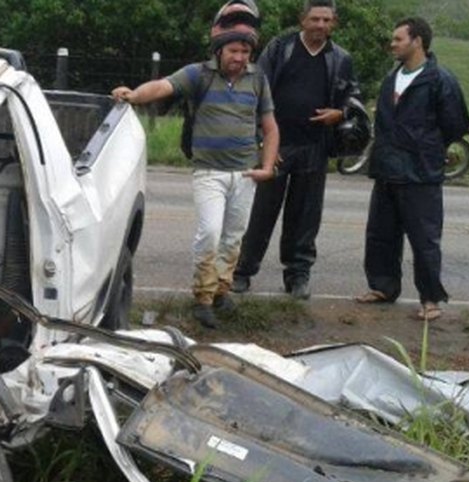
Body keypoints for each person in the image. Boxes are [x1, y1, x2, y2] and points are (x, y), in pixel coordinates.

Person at [111, 0, 279, 328]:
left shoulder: (258, 78)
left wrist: (268, 166)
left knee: (233, 237)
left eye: (245, 52)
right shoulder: (198, 74)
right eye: (234, 51)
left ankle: (221, 291)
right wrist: (132, 95)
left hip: (246, 173)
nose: (240, 58)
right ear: (219, 49)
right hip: (209, 172)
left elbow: (271, 126)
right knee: (211, 233)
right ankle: (202, 296)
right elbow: (162, 87)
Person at [232, 0, 360, 300]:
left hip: (315, 146)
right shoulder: (281, 48)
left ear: (334, 23)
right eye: (315, 19)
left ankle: (298, 276)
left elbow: (353, 97)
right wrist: (263, 141)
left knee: (305, 217)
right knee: (261, 212)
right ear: (303, 19)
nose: (321, 25)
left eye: (327, 20)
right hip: (277, 145)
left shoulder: (341, 58)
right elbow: (255, 89)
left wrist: (339, 114)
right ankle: (242, 272)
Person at [354, 16, 469, 321]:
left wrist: (427, 150)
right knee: (380, 235)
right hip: (387, 170)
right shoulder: (391, 79)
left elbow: (454, 124)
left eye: (398, 39)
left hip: (420, 174)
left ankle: (430, 299)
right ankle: (383, 287)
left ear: (417, 41)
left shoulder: (441, 80)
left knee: (424, 239)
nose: (392, 44)